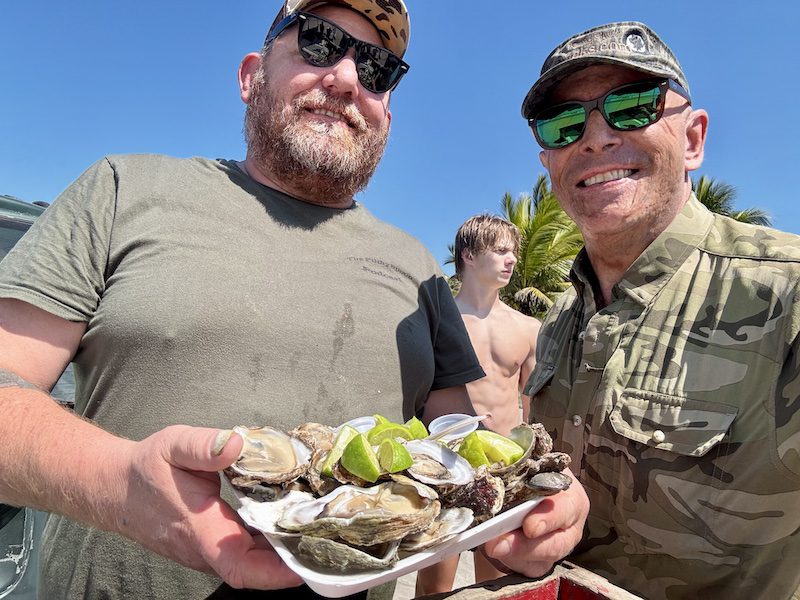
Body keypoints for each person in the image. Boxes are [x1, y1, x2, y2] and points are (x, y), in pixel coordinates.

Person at [0, 1, 589, 598]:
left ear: (387, 111)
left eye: (379, 69)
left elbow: (457, 451)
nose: (347, 78)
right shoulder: (123, 190)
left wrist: (529, 499)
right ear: (251, 74)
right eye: (317, 43)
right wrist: (120, 483)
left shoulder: (419, 271)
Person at [521, 21, 800, 600]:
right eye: (565, 123)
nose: (595, 138)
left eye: (631, 106)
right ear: (548, 161)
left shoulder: (785, 293)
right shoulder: (556, 323)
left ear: (694, 138)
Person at [415, 214, 541, 595]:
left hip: (504, 466)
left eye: (513, 252)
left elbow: (531, 407)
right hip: (444, 465)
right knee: (434, 585)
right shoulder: (436, 321)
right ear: (469, 255)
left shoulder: (528, 328)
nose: (512, 259)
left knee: (496, 584)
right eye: (500, 250)